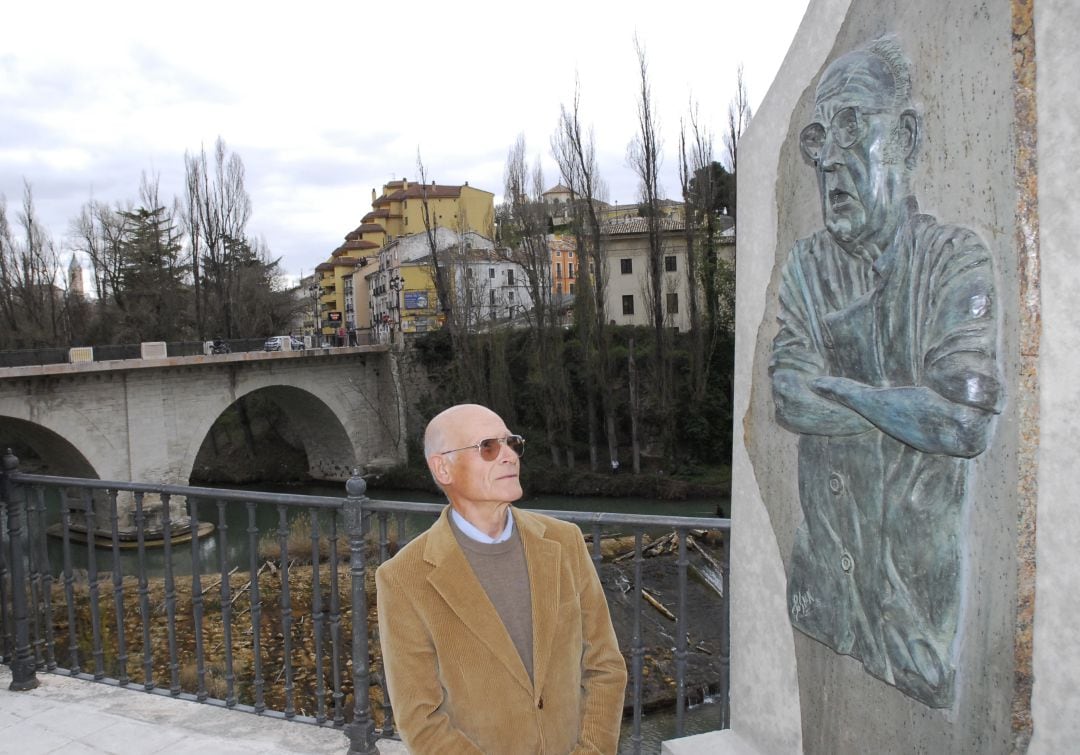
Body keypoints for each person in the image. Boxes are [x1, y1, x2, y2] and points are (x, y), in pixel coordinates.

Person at [769, 37, 1003, 708]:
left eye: (852, 125)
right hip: (824, 598)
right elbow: (788, 397)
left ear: (902, 136)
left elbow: (962, 422)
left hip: (913, 630)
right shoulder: (806, 269)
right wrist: (904, 403)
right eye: (819, 138)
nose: (831, 157)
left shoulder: (952, 261)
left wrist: (837, 387)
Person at [376, 403, 627, 753]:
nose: (509, 455)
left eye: (512, 443)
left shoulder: (564, 542)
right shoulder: (404, 577)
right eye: (488, 447)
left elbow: (605, 666)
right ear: (443, 468)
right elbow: (420, 719)